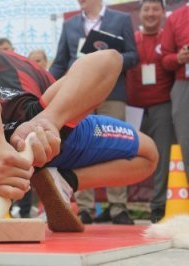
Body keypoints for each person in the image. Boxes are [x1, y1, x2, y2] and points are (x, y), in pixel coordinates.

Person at [0, 23, 157, 230]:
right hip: (44, 132)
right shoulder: (21, 131)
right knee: (148, 155)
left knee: (148, 157)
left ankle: (48, 180)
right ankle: (44, 178)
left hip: (41, 129)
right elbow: (107, 60)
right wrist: (47, 121)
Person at [49, 0, 139, 225]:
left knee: (119, 144)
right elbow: (60, 62)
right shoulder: (69, 25)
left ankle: (118, 207)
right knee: (79, 145)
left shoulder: (121, 19)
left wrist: (109, 56)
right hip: (77, 96)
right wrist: (46, 84)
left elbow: (133, 55)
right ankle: (85, 207)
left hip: (111, 92)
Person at [126, 0, 175, 223]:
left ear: (164, 13)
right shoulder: (131, 39)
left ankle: (158, 206)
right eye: (147, 9)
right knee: (124, 155)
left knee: (163, 157)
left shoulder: (168, 37)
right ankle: (119, 207)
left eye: (156, 8)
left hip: (162, 105)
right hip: (132, 107)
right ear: (140, 13)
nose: (151, 13)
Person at [161, 3, 189, 184]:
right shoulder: (176, 17)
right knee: (186, 143)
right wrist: (179, 58)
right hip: (184, 86)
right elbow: (165, 58)